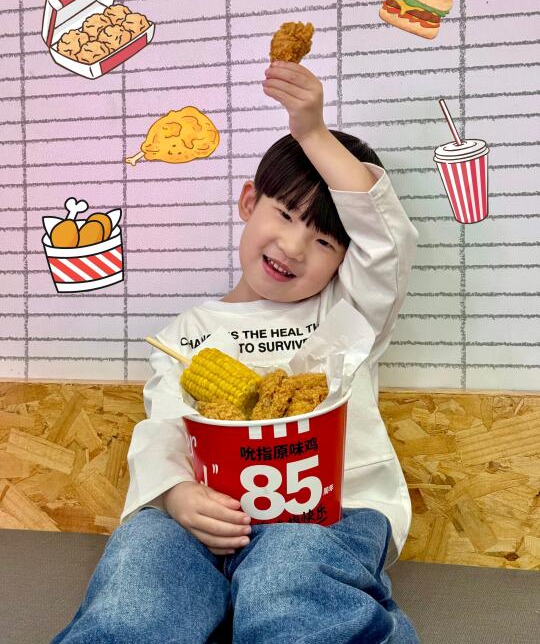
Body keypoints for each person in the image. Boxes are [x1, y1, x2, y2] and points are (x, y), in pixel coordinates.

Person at [51, 61, 420, 644]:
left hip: (322, 513)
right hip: (202, 518)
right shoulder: (186, 333)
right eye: (285, 215)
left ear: (346, 259)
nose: (293, 247)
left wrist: (311, 132)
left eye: (324, 241)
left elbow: (386, 240)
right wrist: (175, 495)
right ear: (250, 201)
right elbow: (165, 427)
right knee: (138, 571)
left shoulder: (349, 313)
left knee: (290, 580)